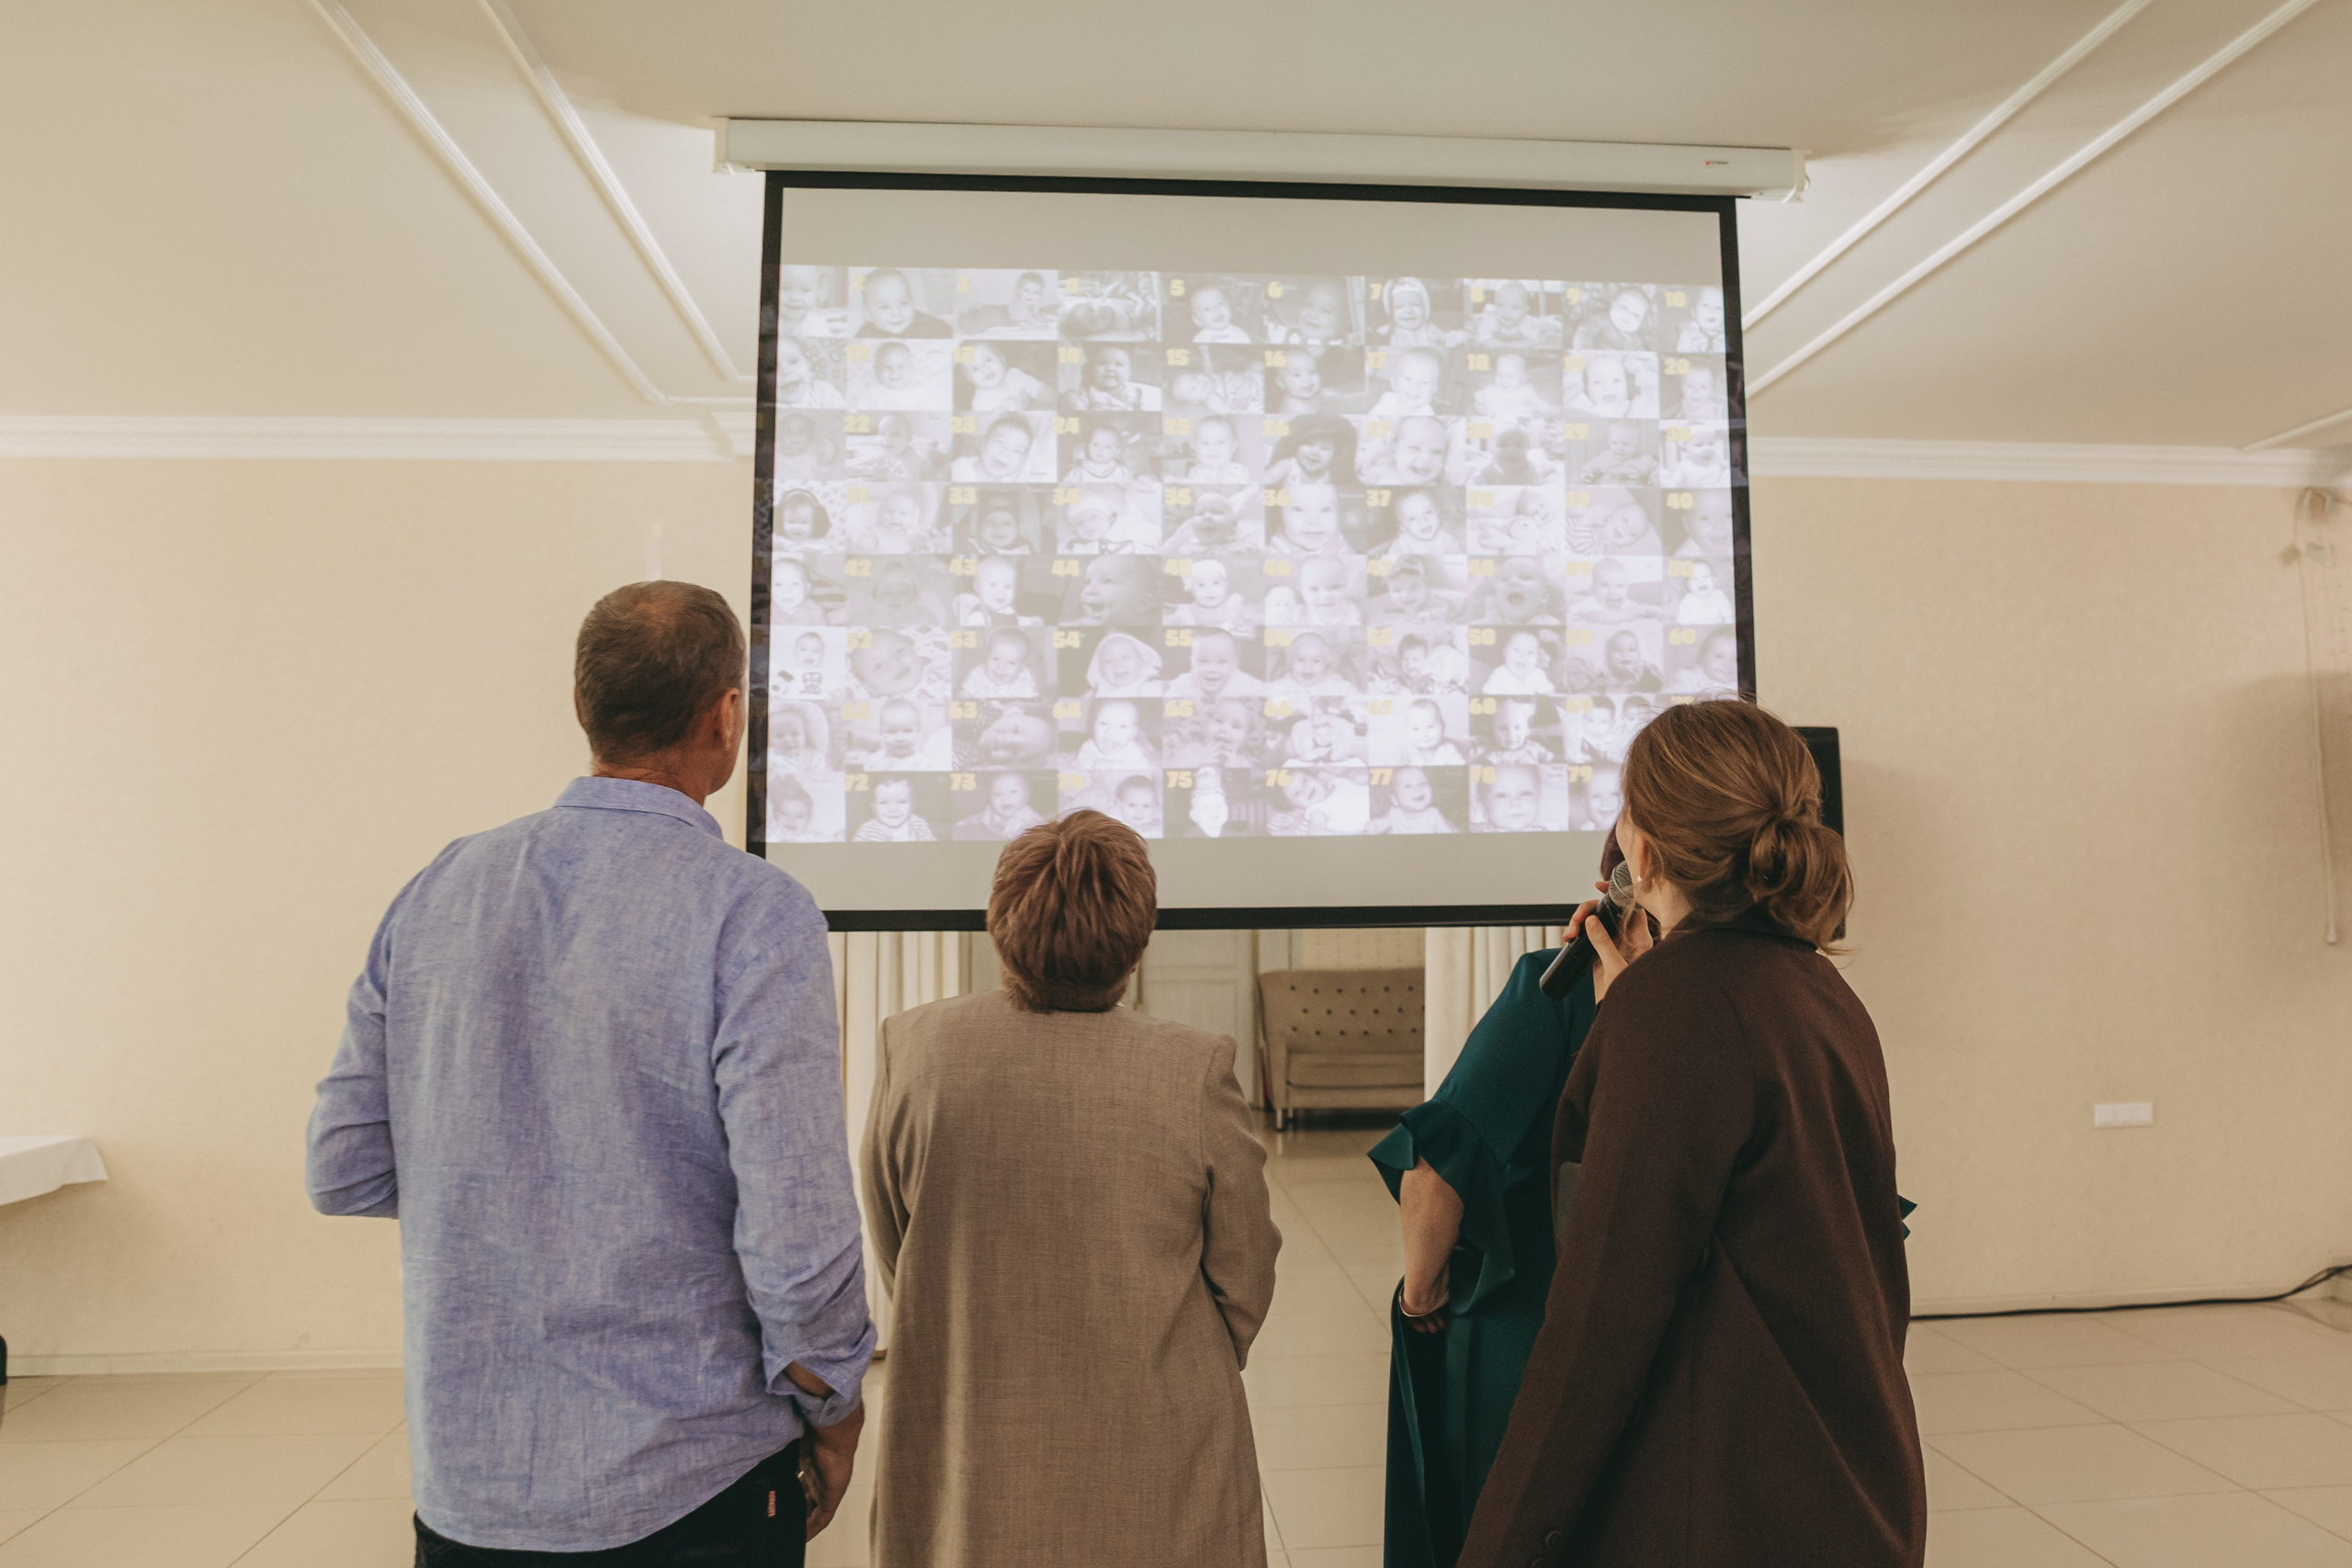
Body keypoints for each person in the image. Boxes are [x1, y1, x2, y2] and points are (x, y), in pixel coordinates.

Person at [307, 582, 872, 1563]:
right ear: (727, 714)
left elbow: (344, 1166)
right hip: (690, 1483)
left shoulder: (440, 885)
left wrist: (514, 1190)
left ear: (584, 709)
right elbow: (795, 1226)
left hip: (467, 1494)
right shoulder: (756, 913)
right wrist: (833, 1401)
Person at [1457, 700, 1923, 1568]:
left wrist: (1499, 1547)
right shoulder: (1822, 993)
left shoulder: (1669, 1008)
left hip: (1723, 1507)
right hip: (1849, 1483)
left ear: (1642, 848)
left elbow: (1602, 1316)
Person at [860, 812, 1281, 1565]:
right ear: (1137, 936)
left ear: (998, 921)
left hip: (970, 1433)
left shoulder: (913, 1047)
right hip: (1159, 1445)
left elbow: (898, 1242)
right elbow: (1245, 1275)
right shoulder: (1194, 1068)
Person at [1370, 836, 1622, 1568]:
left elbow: (1435, 1174)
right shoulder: (1741, 999)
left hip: (1524, 1331)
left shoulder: (1553, 989)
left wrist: (1420, 1297)